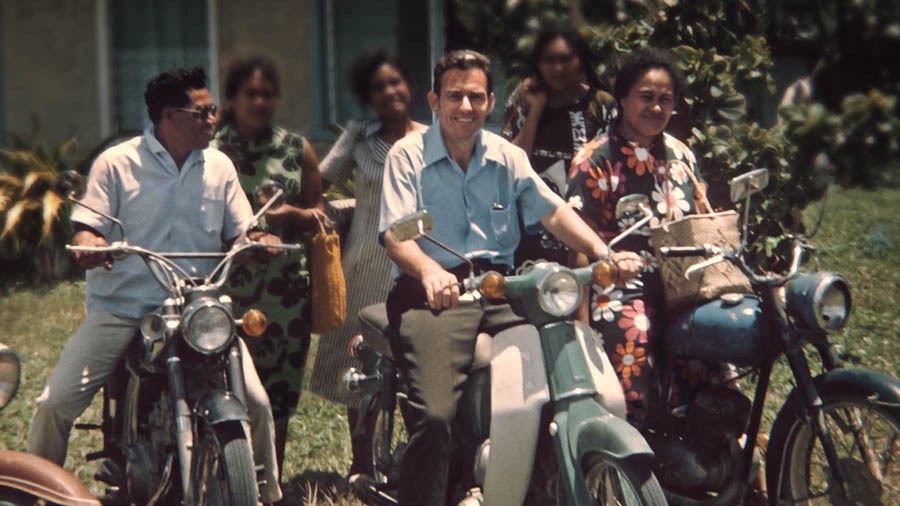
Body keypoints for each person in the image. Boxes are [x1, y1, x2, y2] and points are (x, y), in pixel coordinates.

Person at [379, 49, 642, 506]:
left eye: (476, 97)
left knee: (562, 372)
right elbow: (396, 235)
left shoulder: (506, 156)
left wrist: (605, 252)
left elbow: (554, 212)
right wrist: (429, 270)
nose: (465, 107)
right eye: (455, 96)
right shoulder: (407, 157)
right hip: (434, 294)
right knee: (437, 415)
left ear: (491, 102)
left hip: (503, 290)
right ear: (434, 101)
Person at [27, 66, 283, 504]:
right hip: (123, 307)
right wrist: (90, 245)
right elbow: (86, 228)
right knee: (54, 404)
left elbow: (240, 232)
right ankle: (29, 493)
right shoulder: (117, 162)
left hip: (197, 305)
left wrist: (258, 240)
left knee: (256, 403)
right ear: (168, 116)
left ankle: (264, 495)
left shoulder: (218, 165)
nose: (213, 120)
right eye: (202, 112)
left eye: (212, 109)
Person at [566, 48, 733, 426]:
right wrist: (580, 328)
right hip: (620, 284)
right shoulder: (595, 159)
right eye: (646, 97)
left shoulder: (681, 155)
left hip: (685, 283)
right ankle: (632, 444)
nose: (656, 109)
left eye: (665, 100)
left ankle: (708, 441)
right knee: (633, 334)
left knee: (710, 341)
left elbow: (702, 216)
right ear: (623, 98)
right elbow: (578, 242)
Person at [308, 48, 426, 476]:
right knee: (358, 365)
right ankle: (361, 465)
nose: (390, 91)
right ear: (369, 98)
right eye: (379, 87)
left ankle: (413, 466)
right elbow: (316, 182)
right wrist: (321, 215)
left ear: (411, 87)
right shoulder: (359, 137)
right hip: (362, 265)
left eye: (396, 82)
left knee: (415, 362)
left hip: (414, 263)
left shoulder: (432, 138)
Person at [212, 56, 327, 482]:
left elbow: (321, 212)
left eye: (267, 94)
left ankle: (269, 481)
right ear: (233, 98)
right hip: (230, 290)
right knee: (227, 383)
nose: (260, 102)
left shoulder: (297, 149)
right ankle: (227, 474)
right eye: (250, 94)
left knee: (279, 394)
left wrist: (289, 214)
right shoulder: (213, 151)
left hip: (286, 293)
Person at [500, 19, 616, 265]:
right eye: (549, 60)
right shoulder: (523, 101)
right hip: (529, 231)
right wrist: (536, 109)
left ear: (581, 61)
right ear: (538, 64)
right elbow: (508, 164)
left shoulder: (602, 105)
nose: (558, 68)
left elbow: (614, 167)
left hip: (587, 230)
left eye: (566, 59)